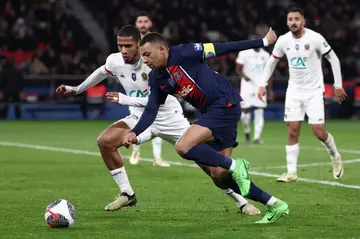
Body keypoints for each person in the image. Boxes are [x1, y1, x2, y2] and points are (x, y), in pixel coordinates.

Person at [57, 25, 260, 215]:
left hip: (169, 116)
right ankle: (127, 193)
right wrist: (77, 89)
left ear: (139, 45)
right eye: (120, 45)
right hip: (140, 118)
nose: (123, 50)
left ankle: (242, 201)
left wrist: (125, 99)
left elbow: (155, 102)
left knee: (209, 166)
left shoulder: (154, 64)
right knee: (105, 141)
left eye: (128, 46)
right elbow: (101, 72)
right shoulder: (115, 61)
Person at [122, 29, 289, 224]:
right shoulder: (156, 78)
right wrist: (135, 132)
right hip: (211, 113)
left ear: (162, 49)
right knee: (219, 175)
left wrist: (263, 41)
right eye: (142, 56)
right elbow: (151, 109)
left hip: (224, 103)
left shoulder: (185, 52)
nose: (145, 60)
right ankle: (274, 203)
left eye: (147, 55)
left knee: (184, 146)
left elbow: (223, 48)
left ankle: (237, 166)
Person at [258, 7, 346, 182]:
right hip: (294, 92)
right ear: (287, 22)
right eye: (290, 19)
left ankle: (335, 155)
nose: (293, 22)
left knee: (319, 132)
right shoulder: (283, 41)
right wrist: (262, 84)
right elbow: (271, 63)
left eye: (296, 19)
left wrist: (338, 85)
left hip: (314, 92)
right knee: (292, 130)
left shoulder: (315, 38)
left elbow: (333, 59)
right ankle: (291, 172)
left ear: (303, 21)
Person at [130, 12, 165, 166]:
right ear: (136, 24)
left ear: (150, 23)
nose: (143, 24)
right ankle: (135, 149)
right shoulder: (130, 41)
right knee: (136, 119)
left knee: (158, 119)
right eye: (140, 21)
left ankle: (157, 158)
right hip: (136, 86)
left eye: (145, 21)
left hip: (154, 83)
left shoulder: (156, 40)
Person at [236, 35, 272, 144]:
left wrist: (269, 88)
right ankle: (247, 130)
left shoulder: (265, 55)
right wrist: (244, 76)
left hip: (260, 85)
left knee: (259, 110)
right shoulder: (244, 53)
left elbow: (268, 72)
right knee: (245, 109)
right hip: (247, 85)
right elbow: (238, 68)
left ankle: (256, 137)